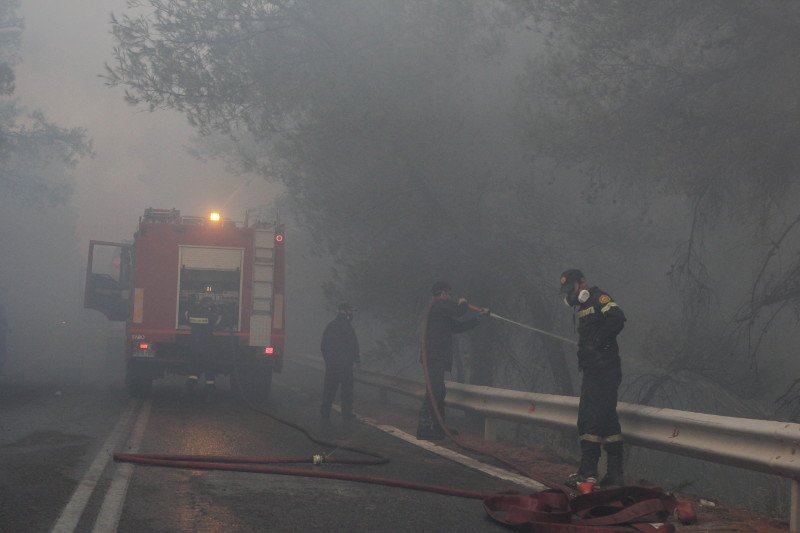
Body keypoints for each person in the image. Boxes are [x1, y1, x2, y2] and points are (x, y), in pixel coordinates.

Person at [560, 269, 627, 488]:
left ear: (582, 283)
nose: (570, 294)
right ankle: (615, 474)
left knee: (590, 418)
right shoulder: (582, 308)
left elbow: (617, 318)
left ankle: (588, 472)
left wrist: (599, 340)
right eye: (567, 291)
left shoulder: (599, 298)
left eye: (572, 288)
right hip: (593, 371)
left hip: (605, 370)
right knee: (608, 420)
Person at [416, 281, 489, 440]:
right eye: (448, 294)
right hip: (433, 357)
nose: (450, 297)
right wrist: (463, 304)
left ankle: (438, 426)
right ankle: (426, 427)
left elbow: (457, 327)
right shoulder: (437, 305)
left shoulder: (441, 312)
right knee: (435, 391)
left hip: (437, 357)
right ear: (442, 293)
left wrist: (478, 318)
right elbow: (458, 312)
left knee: (438, 391)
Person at [320, 303, 361, 426]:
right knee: (346, 390)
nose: (351, 313)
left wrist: (329, 361)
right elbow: (353, 345)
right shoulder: (347, 327)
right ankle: (346, 413)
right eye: (350, 311)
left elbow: (323, 346)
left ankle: (325, 411)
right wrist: (356, 360)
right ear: (344, 311)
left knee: (329, 389)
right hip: (345, 365)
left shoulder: (331, 326)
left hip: (332, 365)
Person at [185, 296, 221, 397]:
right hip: (207, 345)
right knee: (209, 366)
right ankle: (210, 390)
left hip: (194, 344)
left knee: (195, 366)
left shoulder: (191, 313)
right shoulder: (211, 315)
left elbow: (186, 316)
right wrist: (216, 309)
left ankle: (189, 388)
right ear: (209, 304)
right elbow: (218, 321)